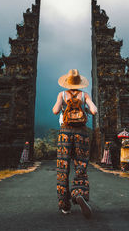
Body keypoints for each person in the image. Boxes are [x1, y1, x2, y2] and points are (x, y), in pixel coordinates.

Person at [52, 69, 97, 218]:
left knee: (62, 169)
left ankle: (64, 205)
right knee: (81, 166)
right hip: (81, 134)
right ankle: (79, 193)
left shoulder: (62, 94)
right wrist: (85, 108)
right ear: (79, 83)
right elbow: (94, 110)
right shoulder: (84, 95)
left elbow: (55, 110)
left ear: (67, 82)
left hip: (65, 132)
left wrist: (64, 106)